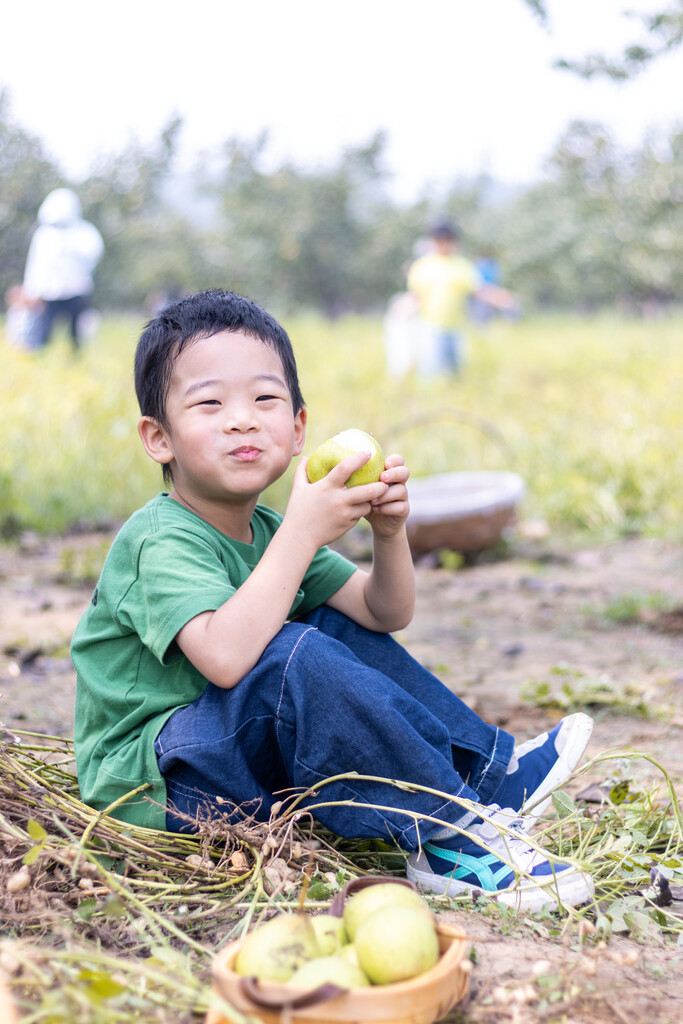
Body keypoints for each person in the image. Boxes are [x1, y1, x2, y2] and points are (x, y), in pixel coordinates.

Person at [72, 289, 595, 911]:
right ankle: (445, 837)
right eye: (210, 403)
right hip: (155, 786)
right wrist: (301, 529)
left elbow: (382, 613)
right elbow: (225, 659)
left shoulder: (269, 531)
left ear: (297, 431)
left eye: (265, 399)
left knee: (328, 624)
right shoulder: (158, 539)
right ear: (159, 438)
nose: (242, 419)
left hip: (231, 750)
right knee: (289, 650)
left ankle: (486, 777)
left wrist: (389, 534)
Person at [407, 222, 518, 376]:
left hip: (457, 328)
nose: (444, 244)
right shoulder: (422, 267)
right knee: (430, 373)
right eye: (440, 240)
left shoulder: (462, 266)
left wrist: (502, 298)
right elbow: (415, 297)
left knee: (455, 373)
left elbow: (480, 290)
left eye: (448, 240)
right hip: (431, 328)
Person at [22, 188, 104, 351]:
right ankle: (41, 351)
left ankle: (76, 352)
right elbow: (36, 265)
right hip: (50, 291)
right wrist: (31, 290)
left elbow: (94, 254)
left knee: (76, 327)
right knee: (45, 325)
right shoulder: (44, 234)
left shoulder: (84, 232)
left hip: (77, 288)